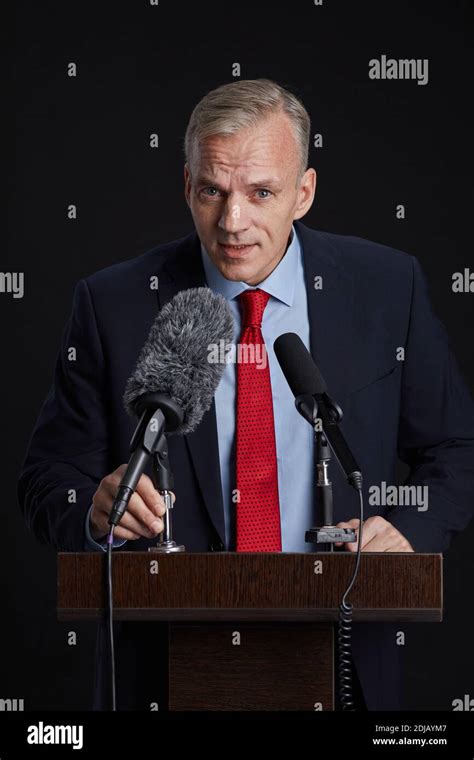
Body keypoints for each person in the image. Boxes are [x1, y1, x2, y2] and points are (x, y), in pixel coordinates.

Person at [18, 78, 474, 711]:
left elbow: (456, 448)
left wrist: (408, 527)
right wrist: (93, 513)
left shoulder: (387, 287)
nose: (233, 221)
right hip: (164, 676)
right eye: (213, 191)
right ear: (187, 186)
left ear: (304, 193)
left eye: (261, 192)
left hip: (346, 665)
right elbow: (47, 476)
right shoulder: (112, 303)